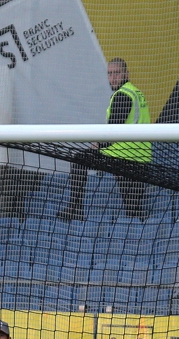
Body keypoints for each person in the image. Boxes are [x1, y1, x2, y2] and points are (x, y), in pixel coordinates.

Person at [58, 58, 151, 221]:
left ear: (126, 74)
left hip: (123, 157)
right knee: (134, 211)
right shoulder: (137, 93)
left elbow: (112, 132)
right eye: (110, 74)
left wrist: (96, 146)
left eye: (117, 73)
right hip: (140, 158)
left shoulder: (122, 95)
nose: (113, 78)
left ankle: (75, 209)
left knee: (79, 160)